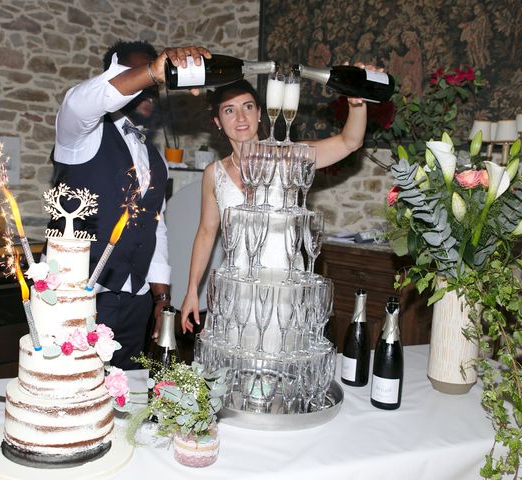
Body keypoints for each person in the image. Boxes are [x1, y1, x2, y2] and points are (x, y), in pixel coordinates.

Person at [49, 40, 210, 369]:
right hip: (79, 300)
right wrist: (151, 71)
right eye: (137, 76)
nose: (150, 89)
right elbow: (80, 102)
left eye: (156, 84)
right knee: (72, 394)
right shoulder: (79, 134)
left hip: (136, 301)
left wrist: (161, 297)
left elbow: (156, 227)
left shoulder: (156, 158)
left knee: (128, 399)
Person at [180, 69, 379, 334]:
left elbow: (350, 142)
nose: (240, 117)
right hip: (236, 288)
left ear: (260, 113)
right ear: (217, 121)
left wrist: (357, 103)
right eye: (229, 110)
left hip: (283, 289)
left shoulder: (289, 157)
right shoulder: (213, 173)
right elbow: (206, 233)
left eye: (247, 107)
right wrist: (192, 290)